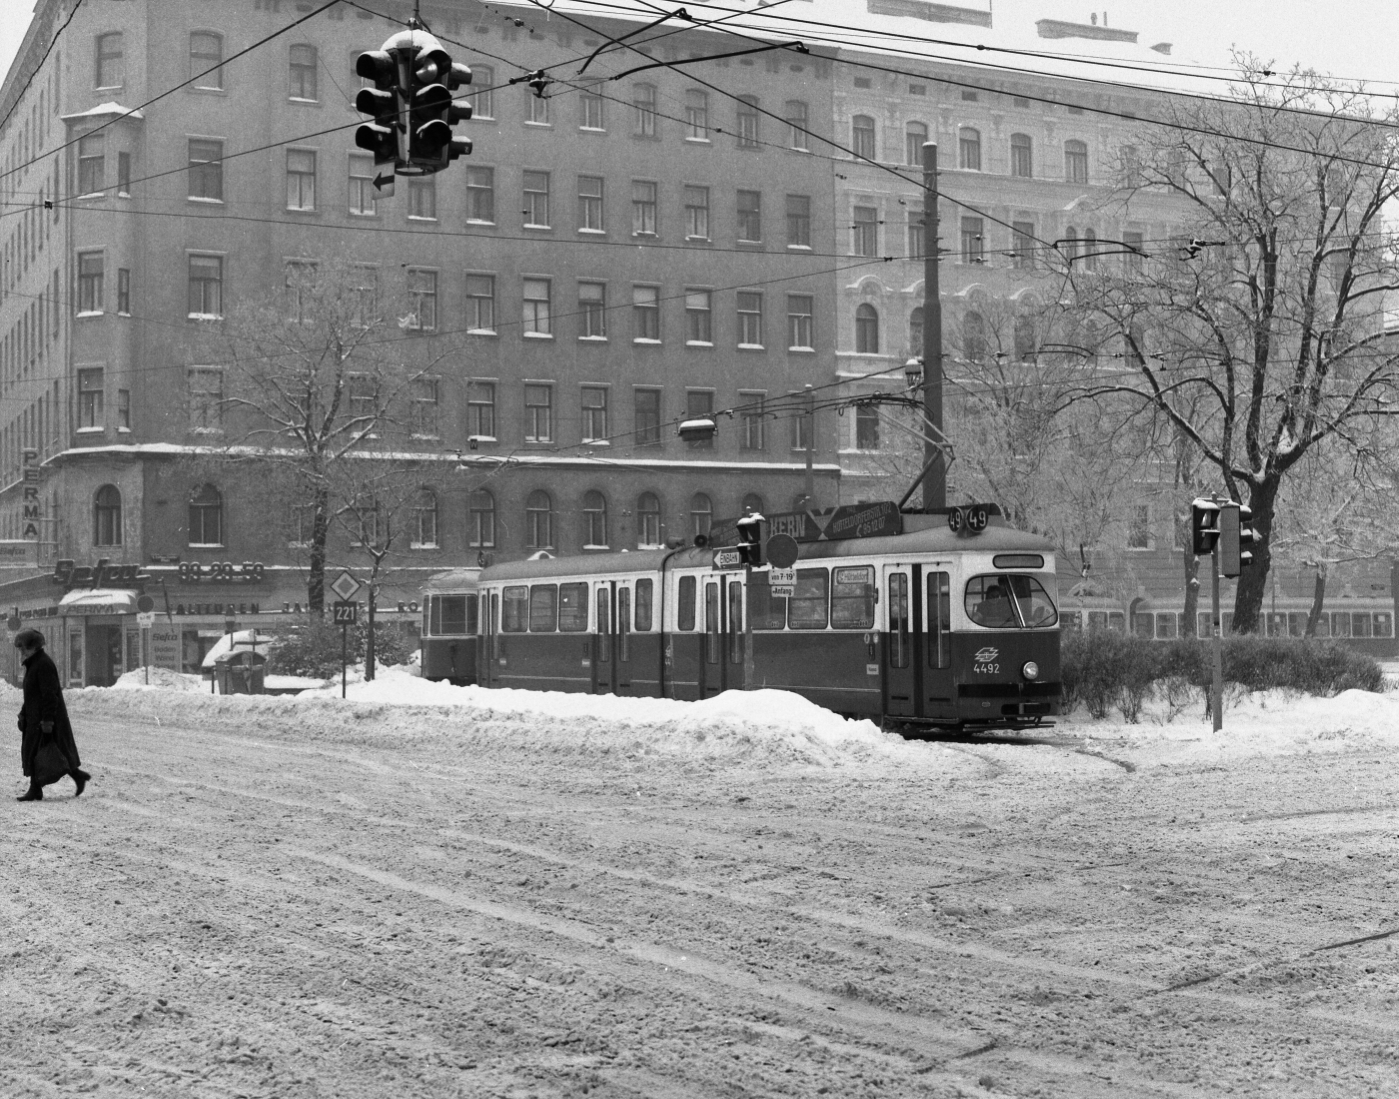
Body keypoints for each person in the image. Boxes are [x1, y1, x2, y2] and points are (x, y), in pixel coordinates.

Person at [14, 628, 89, 802]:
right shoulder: (34, 664)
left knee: (41, 752)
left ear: (34, 647)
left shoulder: (43, 664)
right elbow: (33, 694)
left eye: (23, 648)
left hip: (44, 718)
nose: (21, 651)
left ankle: (35, 790)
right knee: (45, 751)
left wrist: (47, 722)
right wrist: (23, 713)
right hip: (35, 717)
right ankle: (77, 776)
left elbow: (49, 695)